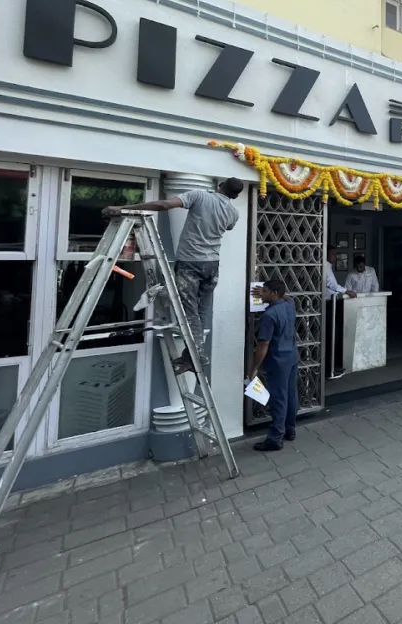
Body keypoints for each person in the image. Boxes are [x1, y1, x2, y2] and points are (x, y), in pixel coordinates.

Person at [103, 177, 244, 373]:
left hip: (190, 263)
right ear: (235, 196)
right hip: (212, 265)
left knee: (190, 313)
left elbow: (164, 205)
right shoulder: (233, 213)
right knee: (200, 313)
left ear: (219, 186)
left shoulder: (200, 196)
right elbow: (228, 227)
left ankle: (196, 357)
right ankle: (191, 356)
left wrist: (124, 208)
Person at [250, 279, 299, 452]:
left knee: (278, 398)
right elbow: (289, 297)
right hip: (291, 356)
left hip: (278, 361)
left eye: (264, 291)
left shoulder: (269, 315)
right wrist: (279, 293)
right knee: (291, 394)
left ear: (274, 293)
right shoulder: (289, 305)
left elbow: (264, 344)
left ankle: (275, 438)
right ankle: (290, 429)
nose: (261, 295)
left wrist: (254, 367)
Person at [324, 245, 356, 377]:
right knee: (331, 336)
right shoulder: (325, 266)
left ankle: (331, 367)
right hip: (327, 304)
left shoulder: (328, 266)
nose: (335, 257)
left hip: (330, 303)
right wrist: (346, 291)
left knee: (333, 335)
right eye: (333, 254)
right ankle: (329, 369)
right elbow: (331, 284)